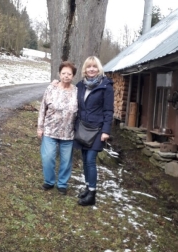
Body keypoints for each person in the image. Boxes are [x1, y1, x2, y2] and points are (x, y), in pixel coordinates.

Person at [74, 56, 114, 206]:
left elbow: (109, 111)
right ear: (85, 68)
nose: (91, 69)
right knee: (85, 160)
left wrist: (106, 131)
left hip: (97, 130)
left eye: (94, 67)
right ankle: (88, 187)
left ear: (99, 69)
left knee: (90, 160)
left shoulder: (106, 86)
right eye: (89, 66)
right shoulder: (80, 85)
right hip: (82, 128)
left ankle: (92, 194)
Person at [37, 61, 78, 195]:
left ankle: (62, 184)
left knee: (66, 161)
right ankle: (49, 181)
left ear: (73, 76)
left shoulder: (77, 91)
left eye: (69, 74)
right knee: (48, 157)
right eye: (63, 73)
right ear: (59, 74)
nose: (66, 76)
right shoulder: (51, 88)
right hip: (49, 130)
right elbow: (43, 108)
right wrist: (40, 127)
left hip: (68, 133)